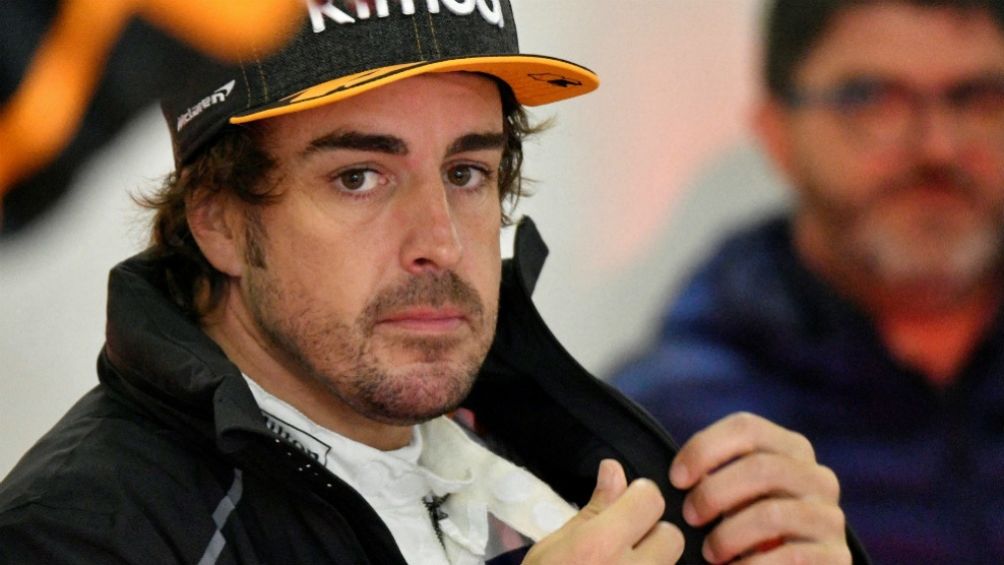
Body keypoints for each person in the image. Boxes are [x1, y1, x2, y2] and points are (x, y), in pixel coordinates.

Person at [0, 2, 859, 564]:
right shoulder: (76, 536)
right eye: (359, 178)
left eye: (467, 172)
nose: (440, 243)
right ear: (217, 218)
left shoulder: (545, 439)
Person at [613, 0, 1004, 563]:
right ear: (776, 130)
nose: (938, 147)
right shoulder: (667, 431)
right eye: (871, 99)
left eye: (980, 98)